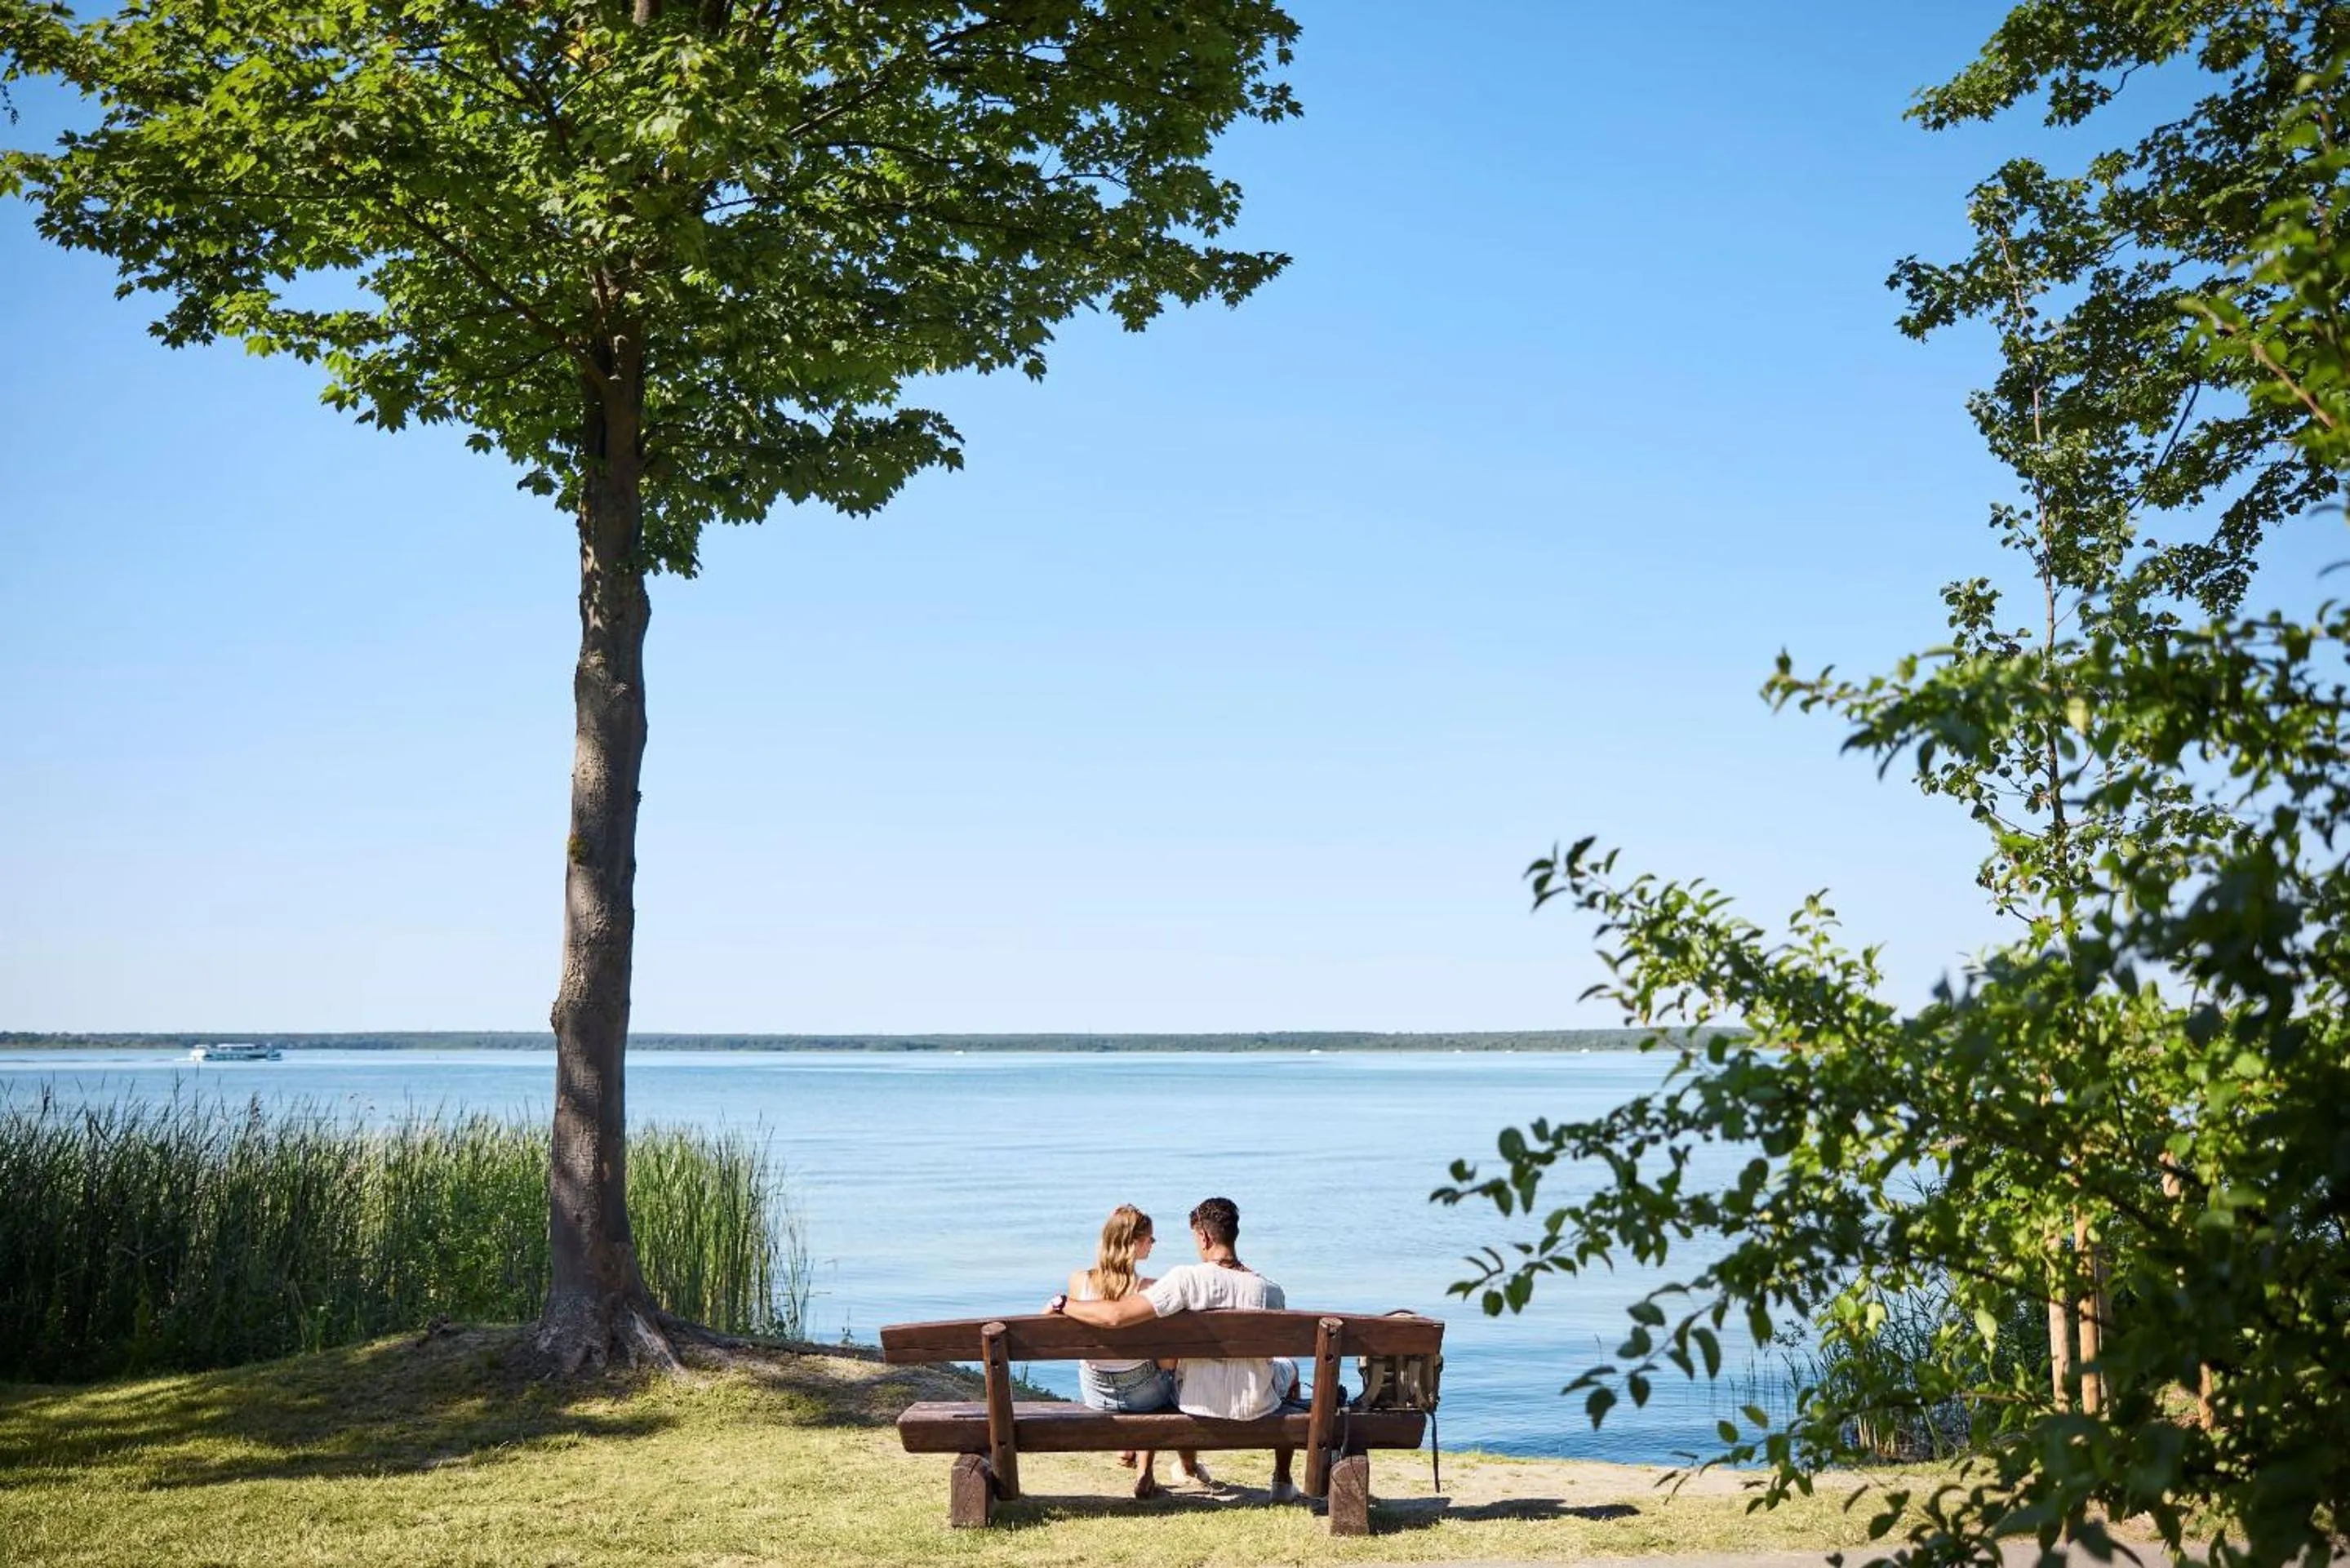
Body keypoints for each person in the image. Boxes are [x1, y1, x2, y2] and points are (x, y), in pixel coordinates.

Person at [1048, 1196, 1306, 1503]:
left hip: (1194, 1401)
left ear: (1204, 1237)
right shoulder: (1271, 1291)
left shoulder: (1184, 1280)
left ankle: (1186, 1465)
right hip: (1256, 1404)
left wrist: (1063, 1302)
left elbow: (1117, 1315)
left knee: (1176, 1369)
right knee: (1290, 1367)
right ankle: (1282, 1480)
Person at [1059, 1204, 1206, 1499]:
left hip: (1095, 1393)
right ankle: (1146, 1472)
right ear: (1135, 1243)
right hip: (1143, 1397)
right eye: (1150, 1239)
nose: (1153, 1244)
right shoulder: (1150, 1289)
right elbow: (1167, 1363)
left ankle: (1132, 1449)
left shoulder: (1078, 1281)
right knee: (1171, 1378)